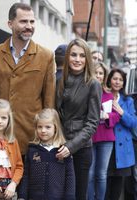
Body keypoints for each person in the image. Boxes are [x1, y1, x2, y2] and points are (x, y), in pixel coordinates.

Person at [0, 2, 56, 156]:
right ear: (10, 24)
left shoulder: (46, 56)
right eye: (23, 21)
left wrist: (46, 136)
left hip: (31, 139)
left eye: (32, 22)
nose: (29, 26)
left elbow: (48, 102)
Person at [56, 38, 102, 200]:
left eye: (82, 56)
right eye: (74, 55)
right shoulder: (59, 80)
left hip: (80, 149)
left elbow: (92, 123)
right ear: (67, 56)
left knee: (78, 195)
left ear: (87, 58)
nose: (77, 59)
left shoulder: (93, 84)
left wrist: (71, 146)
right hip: (59, 146)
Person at [18, 108, 75, 200]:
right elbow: (26, 175)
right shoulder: (32, 150)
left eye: (48, 127)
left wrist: (70, 197)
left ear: (55, 127)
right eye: (39, 127)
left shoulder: (63, 151)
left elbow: (70, 176)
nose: (43, 130)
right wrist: (22, 196)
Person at [87, 62, 120, 200]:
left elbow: (117, 115)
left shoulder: (108, 94)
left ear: (104, 76)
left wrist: (107, 116)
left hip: (106, 139)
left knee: (101, 174)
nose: (99, 76)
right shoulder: (85, 91)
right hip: (89, 138)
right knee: (90, 174)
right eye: (96, 73)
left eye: (101, 73)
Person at [105, 68, 137, 200]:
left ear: (123, 83)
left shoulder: (128, 101)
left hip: (123, 148)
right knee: (104, 182)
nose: (117, 82)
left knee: (117, 186)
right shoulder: (103, 96)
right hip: (106, 145)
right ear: (109, 80)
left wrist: (121, 112)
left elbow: (133, 122)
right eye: (114, 78)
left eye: (120, 80)